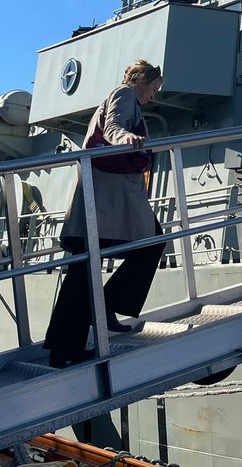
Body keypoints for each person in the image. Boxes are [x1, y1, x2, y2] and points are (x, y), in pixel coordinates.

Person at [44, 60, 166, 368]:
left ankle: (66, 347)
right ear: (143, 81)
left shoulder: (126, 99)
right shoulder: (124, 95)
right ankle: (104, 309)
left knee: (84, 270)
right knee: (151, 244)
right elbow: (112, 127)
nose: (154, 95)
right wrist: (126, 138)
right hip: (107, 197)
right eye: (154, 88)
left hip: (108, 198)